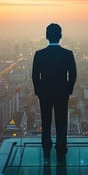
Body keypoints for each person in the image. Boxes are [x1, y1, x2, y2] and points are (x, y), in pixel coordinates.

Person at [32, 23, 77, 160]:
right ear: (60, 36)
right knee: (61, 121)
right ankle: (61, 146)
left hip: (45, 94)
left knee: (45, 121)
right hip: (62, 94)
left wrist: (39, 92)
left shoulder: (39, 54)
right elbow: (73, 74)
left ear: (46, 36)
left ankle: (46, 145)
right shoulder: (68, 54)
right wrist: (68, 91)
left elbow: (35, 76)